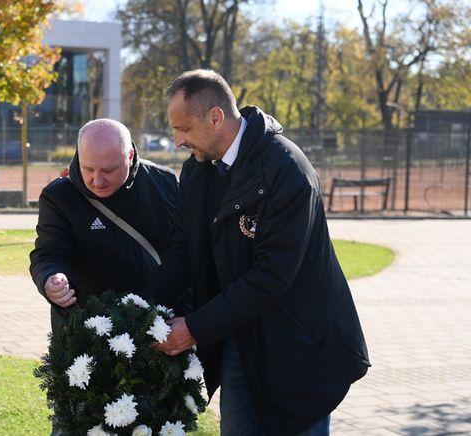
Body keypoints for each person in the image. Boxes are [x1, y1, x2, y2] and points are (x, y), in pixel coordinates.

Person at [142, 70, 370, 436]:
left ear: (215, 117)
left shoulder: (286, 170)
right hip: (239, 337)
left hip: (300, 345)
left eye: (183, 129)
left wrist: (195, 328)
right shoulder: (197, 172)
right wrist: (137, 309)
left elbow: (271, 275)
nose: (177, 140)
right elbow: (183, 253)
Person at [29, 119, 179, 333]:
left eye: (108, 170)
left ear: (129, 156)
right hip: (86, 328)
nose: (97, 181)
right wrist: (51, 278)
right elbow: (49, 253)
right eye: (88, 169)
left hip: (156, 324)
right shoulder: (59, 196)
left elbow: (182, 253)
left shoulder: (164, 183)